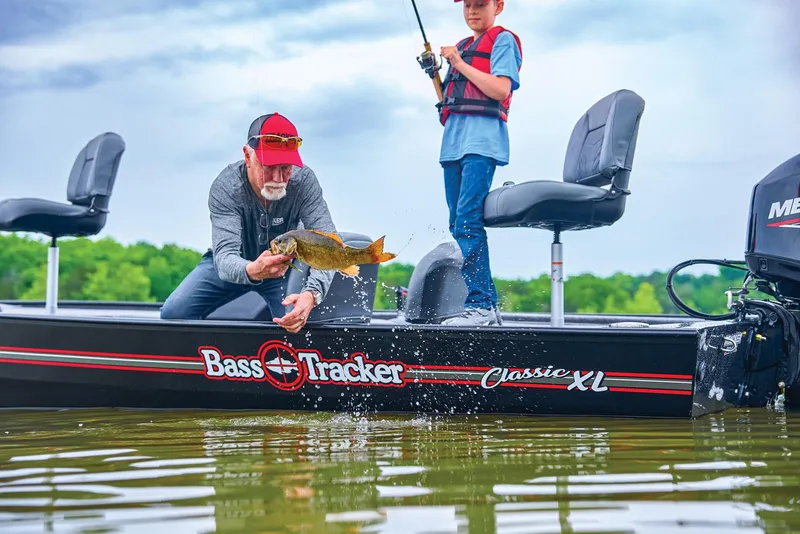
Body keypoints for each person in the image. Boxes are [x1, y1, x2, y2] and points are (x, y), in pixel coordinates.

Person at [160, 112, 338, 333]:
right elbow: (224, 258)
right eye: (269, 166)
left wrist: (311, 294)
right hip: (236, 264)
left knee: (294, 320)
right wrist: (254, 269)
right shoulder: (226, 186)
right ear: (247, 155)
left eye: (286, 168)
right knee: (173, 313)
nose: (278, 178)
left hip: (287, 269)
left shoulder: (305, 182)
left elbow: (330, 245)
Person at [435, 0, 522, 326]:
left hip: (480, 145)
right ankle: (489, 307)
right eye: (467, 5)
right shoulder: (462, 47)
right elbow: (449, 100)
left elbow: (499, 89)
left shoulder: (503, 40)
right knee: (458, 224)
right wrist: (437, 71)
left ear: (498, 6)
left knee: (469, 222)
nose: (472, 10)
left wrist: (457, 61)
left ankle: (481, 305)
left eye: (480, 4)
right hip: (453, 146)